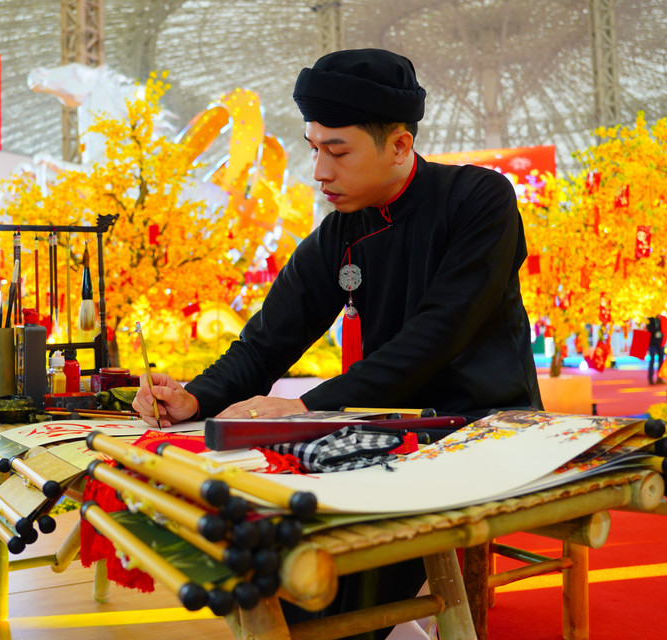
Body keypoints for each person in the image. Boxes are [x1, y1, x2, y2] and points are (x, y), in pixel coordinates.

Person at [132, 48, 542, 637]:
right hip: (382, 426)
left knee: (335, 580)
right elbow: (266, 343)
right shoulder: (339, 233)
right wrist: (195, 398)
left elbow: (437, 336)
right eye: (314, 149)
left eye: (338, 151)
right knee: (283, 562)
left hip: (477, 422)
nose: (320, 172)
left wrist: (306, 407)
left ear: (400, 146)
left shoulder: (479, 200)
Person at [646, 315, 665, 385]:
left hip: (660, 342)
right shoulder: (650, 319)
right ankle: (650, 378)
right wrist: (657, 330)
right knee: (652, 360)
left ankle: (660, 378)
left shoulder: (662, 319)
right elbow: (649, 329)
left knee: (661, 360)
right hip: (652, 343)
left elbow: (665, 329)